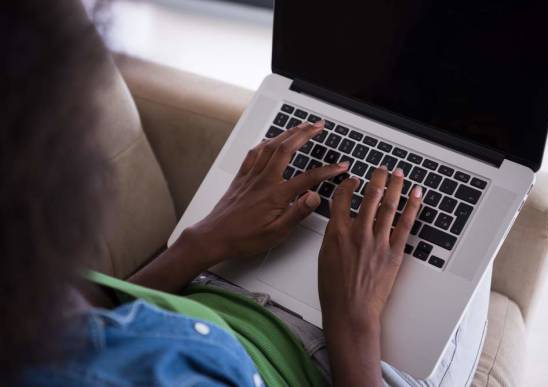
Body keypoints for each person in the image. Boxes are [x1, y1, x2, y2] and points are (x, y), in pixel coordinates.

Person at [1, 0, 490, 386]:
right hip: (350, 361)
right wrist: (356, 324)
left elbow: (100, 314)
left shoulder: (20, 300)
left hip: (213, 283)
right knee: (474, 200)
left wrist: (202, 243)